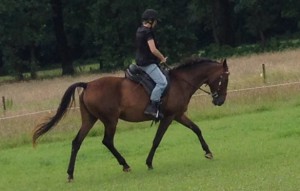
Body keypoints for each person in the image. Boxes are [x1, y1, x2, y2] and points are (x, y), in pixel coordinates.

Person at [135, 9, 168, 119]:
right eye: (155, 21)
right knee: (162, 82)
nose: (156, 23)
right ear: (150, 21)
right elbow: (153, 50)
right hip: (147, 64)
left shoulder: (139, 30)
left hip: (140, 62)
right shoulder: (148, 32)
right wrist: (162, 58)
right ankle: (152, 108)